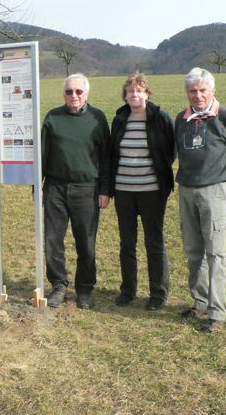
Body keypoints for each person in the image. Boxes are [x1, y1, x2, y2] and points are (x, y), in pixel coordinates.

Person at [175, 67, 226, 332]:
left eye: (202, 90)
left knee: (215, 252)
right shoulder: (181, 119)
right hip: (187, 190)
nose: (197, 96)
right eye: (192, 91)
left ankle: (217, 312)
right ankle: (200, 302)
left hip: (215, 190)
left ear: (212, 91)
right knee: (194, 250)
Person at [41, 73, 111, 309]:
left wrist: (105, 190)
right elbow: (43, 154)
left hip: (87, 190)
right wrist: (37, 186)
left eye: (78, 91)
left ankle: (84, 288)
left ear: (87, 93)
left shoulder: (98, 118)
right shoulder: (53, 117)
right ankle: (59, 284)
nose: (74, 95)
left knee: (86, 241)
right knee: (53, 240)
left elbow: (106, 157)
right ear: (64, 94)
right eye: (69, 91)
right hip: (55, 188)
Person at [110, 73, 176, 311]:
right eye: (130, 91)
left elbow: (171, 150)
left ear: (147, 93)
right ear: (125, 96)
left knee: (154, 242)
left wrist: (160, 174)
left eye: (139, 90)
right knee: (127, 243)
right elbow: (112, 154)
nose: (134, 95)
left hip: (152, 191)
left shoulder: (160, 118)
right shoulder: (119, 119)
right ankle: (128, 291)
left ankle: (158, 293)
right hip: (124, 191)